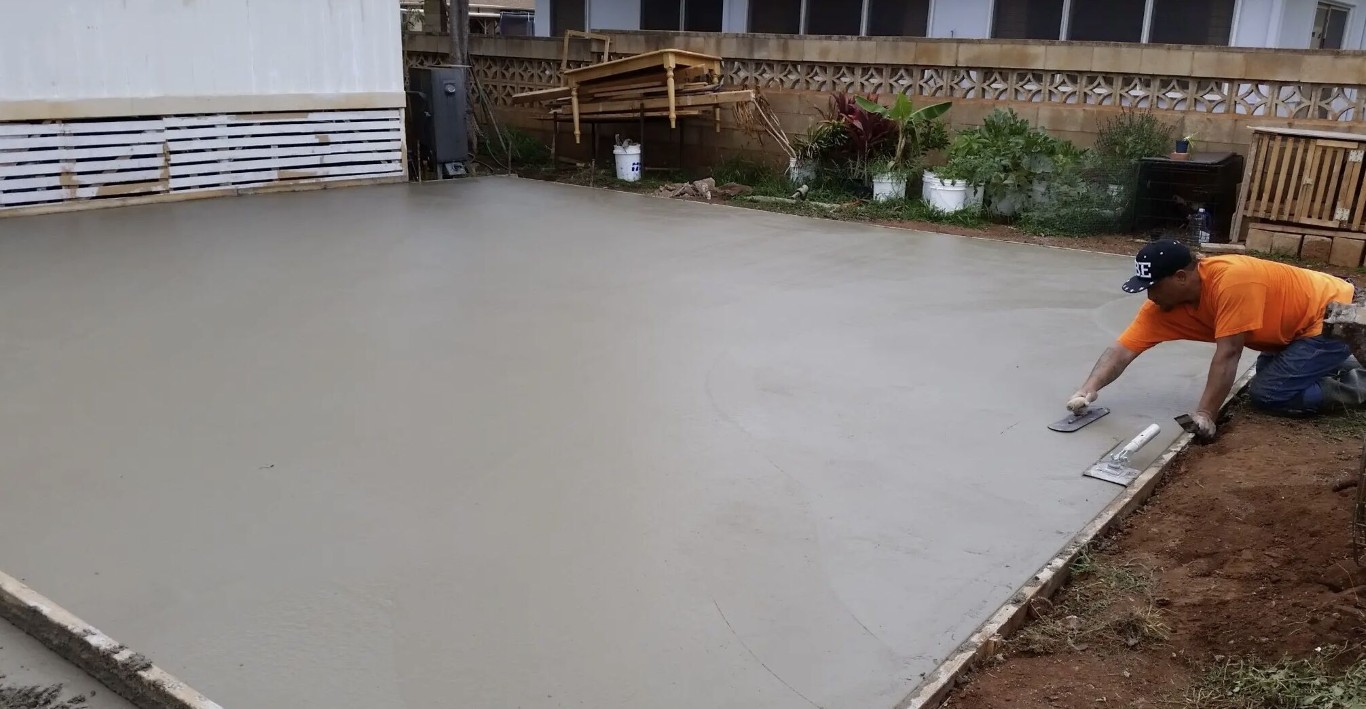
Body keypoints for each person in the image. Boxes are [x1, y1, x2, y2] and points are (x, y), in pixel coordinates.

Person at [1066, 240, 1366, 440]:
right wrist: (1087, 390)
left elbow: (1230, 352)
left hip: (1337, 314)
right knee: (1274, 376)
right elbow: (1121, 351)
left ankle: (1358, 384)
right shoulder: (1163, 307)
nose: (1149, 295)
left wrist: (1206, 414)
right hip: (1296, 330)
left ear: (1181, 277)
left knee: (1270, 392)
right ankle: (1343, 360)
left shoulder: (1231, 281)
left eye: (1153, 286)